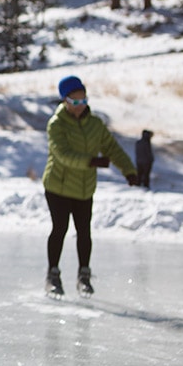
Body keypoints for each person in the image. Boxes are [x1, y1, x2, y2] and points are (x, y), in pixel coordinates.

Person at [42, 75, 138, 298]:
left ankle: (83, 276)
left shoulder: (95, 124)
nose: (79, 106)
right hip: (58, 186)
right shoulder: (56, 124)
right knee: (60, 229)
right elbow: (62, 154)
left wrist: (129, 170)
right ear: (64, 101)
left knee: (84, 231)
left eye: (83, 100)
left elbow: (112, 148)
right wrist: (91, 161)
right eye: (74, 102)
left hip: (84, 188)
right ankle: (53, 275)